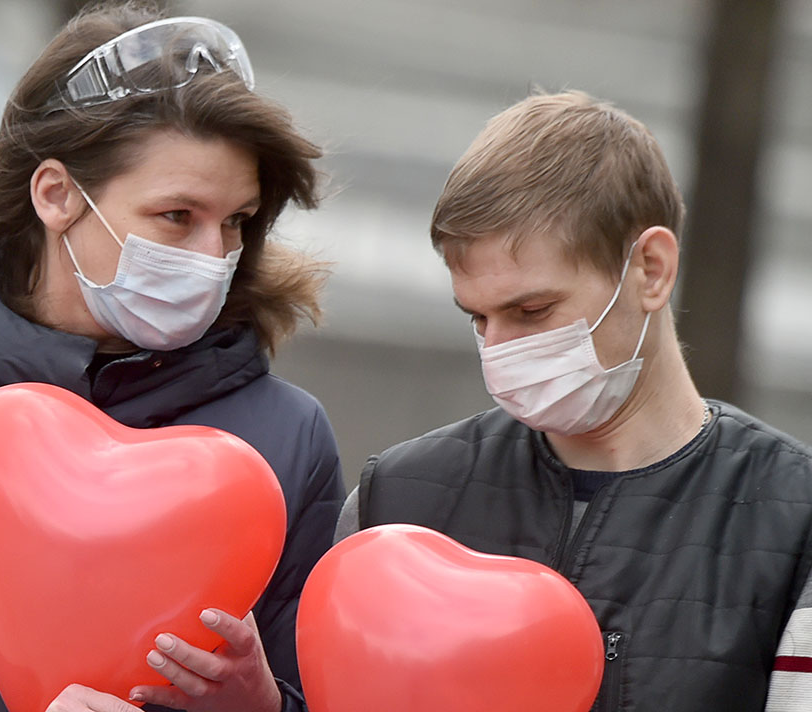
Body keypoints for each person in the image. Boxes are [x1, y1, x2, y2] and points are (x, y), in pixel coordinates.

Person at [0, 4, 344, 712]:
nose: (213, 257)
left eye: (237, 221)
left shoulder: (291, 435)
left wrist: (265, 706)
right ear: (56, 195)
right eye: (177, 217)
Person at [333, 90, 812, 711]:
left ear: (652, 269)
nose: (499, 351)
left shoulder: (792, 518)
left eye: (532, 311)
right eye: (478, 318)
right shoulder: (396, 497)